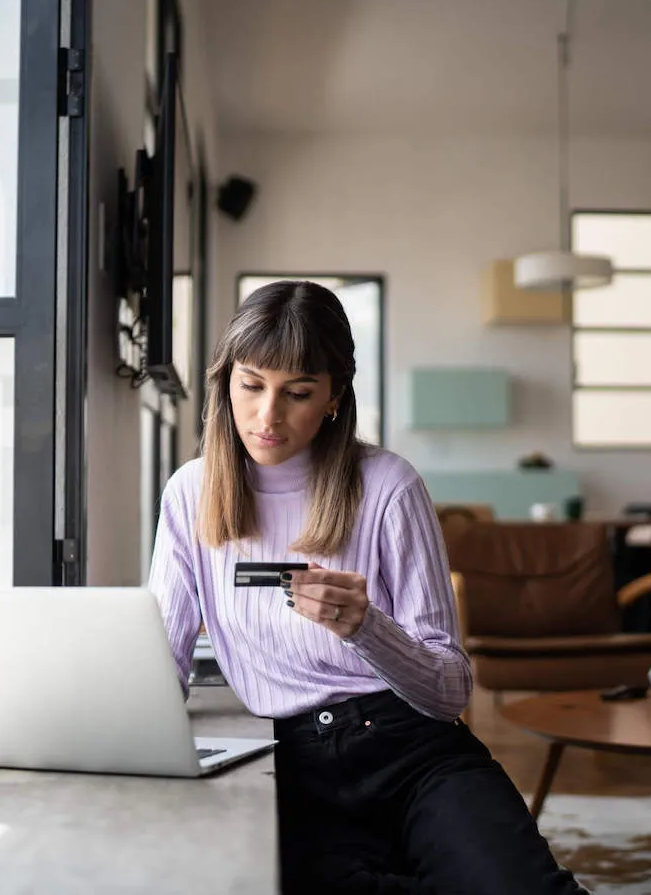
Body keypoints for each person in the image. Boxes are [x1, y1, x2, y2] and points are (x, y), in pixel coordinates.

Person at [147, 280, 591, 895]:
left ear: (333, 397)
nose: (267, 415)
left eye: (297, 393)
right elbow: (158, 668)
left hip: (413, 747)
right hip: (291, 767)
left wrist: (366, 628)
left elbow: (450, 689)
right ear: (225, 381)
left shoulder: (388, 486)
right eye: (251, 385)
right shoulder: (191, 494)